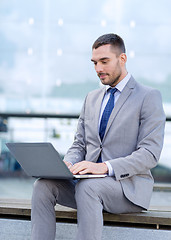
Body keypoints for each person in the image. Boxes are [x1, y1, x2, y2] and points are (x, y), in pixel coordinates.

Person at [31, 33, 165, 240]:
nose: (98, 69)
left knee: (88, 187)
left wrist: (104, 167)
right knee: (43, 186)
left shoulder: (148, 96)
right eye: (94, 63)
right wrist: (68, 164)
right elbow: (80, 144)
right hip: (87, 184)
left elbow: (150, 154)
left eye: (104, 61)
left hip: (128, 189)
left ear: (122, 59)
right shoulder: (91, 98)